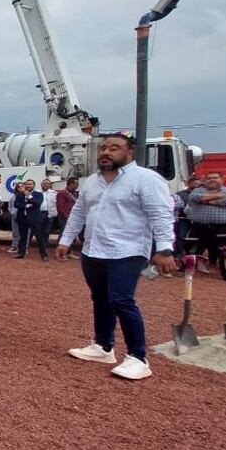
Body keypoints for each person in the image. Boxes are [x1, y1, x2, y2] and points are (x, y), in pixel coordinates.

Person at [59, 132, 177, 380]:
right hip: (93, 250)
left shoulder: (146, 180)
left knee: (122, 300)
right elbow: (79, 213)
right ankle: (103, 346)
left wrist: (165, 248)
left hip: (128, 251)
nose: (106, 152)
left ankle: (138, 357)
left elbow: (161, 215)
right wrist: (65, 240)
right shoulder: (91, 182)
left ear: (129, 153)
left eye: (114, 148)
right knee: (100, 298)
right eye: (103, 148)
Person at [187, 171, 226, 279]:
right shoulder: (197, 191)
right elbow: (195, 198)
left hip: (225, 227)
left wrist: (208, 201)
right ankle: (187, 271)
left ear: (222, 179)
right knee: (193, 249)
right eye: (209, 178)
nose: (212, 180)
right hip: (200, 226)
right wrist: (219, 195)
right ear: (205, 181)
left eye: (215, 177)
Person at [14, 179, 48, 261]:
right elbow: (16, 204)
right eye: (27, 184)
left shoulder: (38, 194)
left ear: (34, 185)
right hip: (22, 218)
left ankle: (44, 255)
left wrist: (29, 196)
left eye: (30, 184)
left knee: (39, 237)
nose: (28, 185)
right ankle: (21, 253)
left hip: (35, 218)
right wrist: (27, 206)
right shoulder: (19, 194)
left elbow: (37, 203)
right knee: (23, 237)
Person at [173, 176, 200, 258]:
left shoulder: (203, 194)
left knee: (196, 237)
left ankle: (191, 253)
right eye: (195, 183)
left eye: (199, 184)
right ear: (188, 184)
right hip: (183, 219)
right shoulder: (179, 194)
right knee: (181, 236)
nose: (197, 185)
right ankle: (178, 254)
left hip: (198, 220)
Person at [56, 177, 80, 255]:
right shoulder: (62, 193)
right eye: (76, 184)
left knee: (71, 234)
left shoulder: (75, 193)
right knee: (64, 234)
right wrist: (66, 216)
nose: (77, 185)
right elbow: (59, 206)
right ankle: (61, 253)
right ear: (71, 184)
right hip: (65, 217)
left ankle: (69, 253)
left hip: (73, 216)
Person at [7, 181, 25, 254]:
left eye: (22, 186)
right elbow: (10, 205)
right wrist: (12, 212)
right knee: (15, 232)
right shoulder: (13, 196)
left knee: (24, 233)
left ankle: (24, 248)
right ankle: (14, 246)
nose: (20, 188)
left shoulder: (27, 195)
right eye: (19, 187)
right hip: (15, 216)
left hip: (24, 217)